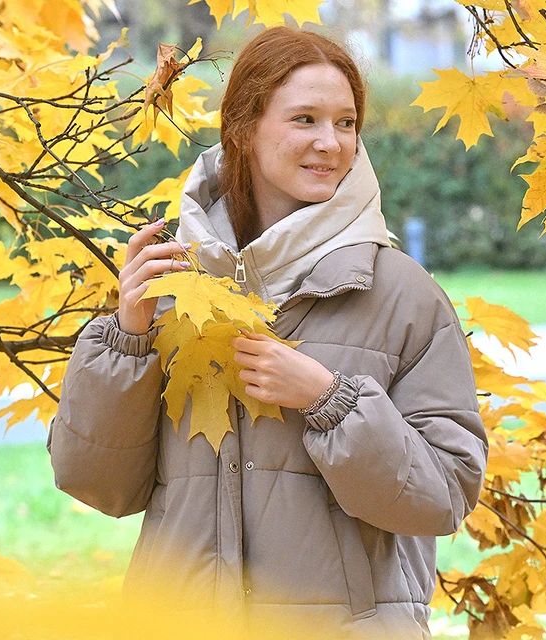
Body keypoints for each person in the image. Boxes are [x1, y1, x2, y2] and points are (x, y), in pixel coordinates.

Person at [47, 26, 488, 640]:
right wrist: (128, 339)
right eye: (305, 119)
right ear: (244, 129)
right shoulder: (173, 283)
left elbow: (442, 496)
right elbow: (97, 484)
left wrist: (332, 402)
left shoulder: (404, 297)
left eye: (346, 122)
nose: (329, 143)